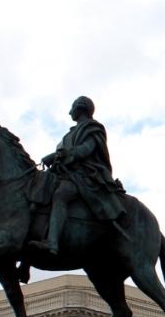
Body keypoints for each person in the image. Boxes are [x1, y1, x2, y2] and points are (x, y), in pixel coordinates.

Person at [29, 95, 127, 255]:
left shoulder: (93, 128)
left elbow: (86, 149)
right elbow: (62, 152)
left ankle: (52, 242)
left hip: (85, 174)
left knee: (61, 195)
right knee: (40, 188)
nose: (70, 112)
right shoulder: (70, 134)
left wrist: (63, 155)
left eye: (72, 108)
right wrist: (53, 157)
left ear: (80, 108)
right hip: (65, 172)